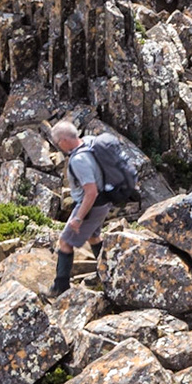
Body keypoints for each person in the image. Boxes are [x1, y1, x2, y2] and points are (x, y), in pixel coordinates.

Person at [51, 120, 136, 295]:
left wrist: (78, 218)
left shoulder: (79, 160)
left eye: (57, 142)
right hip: (103, 202)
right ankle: (104, 274)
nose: (58, 146)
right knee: (93, 236)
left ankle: (60, 288)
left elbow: (91, 192)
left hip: (91, 206)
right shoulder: (89, 142)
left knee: (65, 242)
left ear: (64, 140)